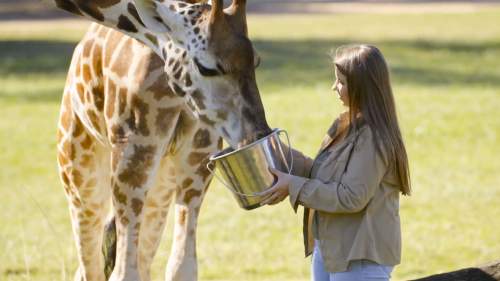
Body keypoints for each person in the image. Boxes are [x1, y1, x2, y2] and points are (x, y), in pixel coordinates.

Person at [260, 44, 411, 281]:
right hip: (331, 249)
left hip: (360, 259)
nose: (334, 87)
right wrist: (278, 151)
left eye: (341, 82)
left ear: (362, 87)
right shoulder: (345, 125)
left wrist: (293, 186)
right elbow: (324, 175)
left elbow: (351, 197)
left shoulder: (374, 137)